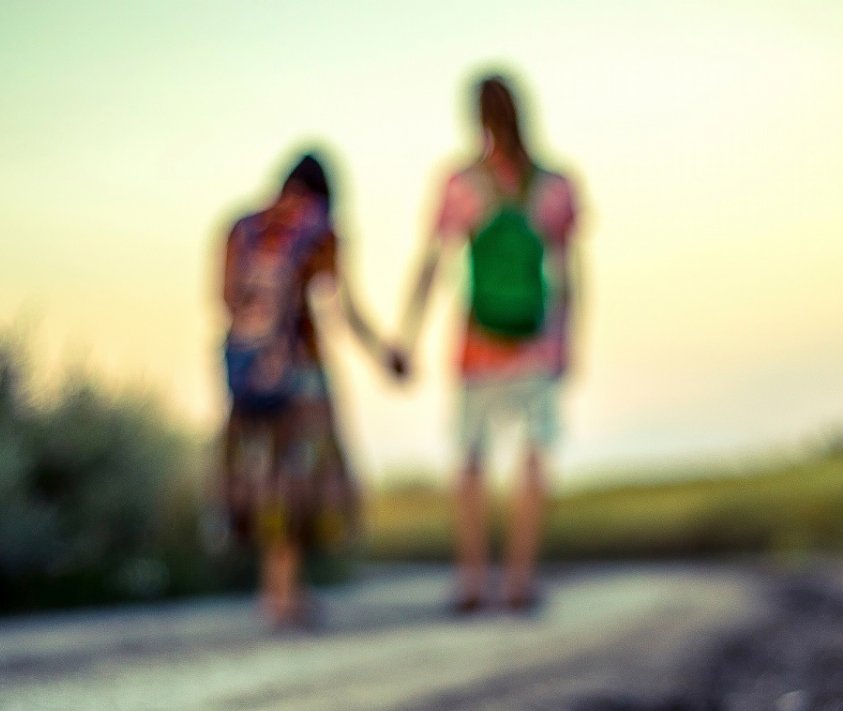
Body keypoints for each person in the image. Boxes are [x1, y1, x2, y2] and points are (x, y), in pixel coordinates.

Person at [397, 73, 581, 613]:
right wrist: (569, 339)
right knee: (532, 459)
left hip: (477, 343)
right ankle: (519, 581)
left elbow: (433, 263)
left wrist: (408, 335)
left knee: (471, 461)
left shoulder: (462, 184)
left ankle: (473, 580)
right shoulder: (551, 184)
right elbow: (569, 274)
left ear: (477, 118)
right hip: (537, 342)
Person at [215, 152, 404, 628]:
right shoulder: (319, 230)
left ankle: (273, 591)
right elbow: (345, 307)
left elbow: (221, 298)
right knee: (297, 480)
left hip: (248, 369)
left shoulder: (241, 228)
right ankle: (285, 593)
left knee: (263, 477)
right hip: (301, 371)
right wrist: (383, 352)